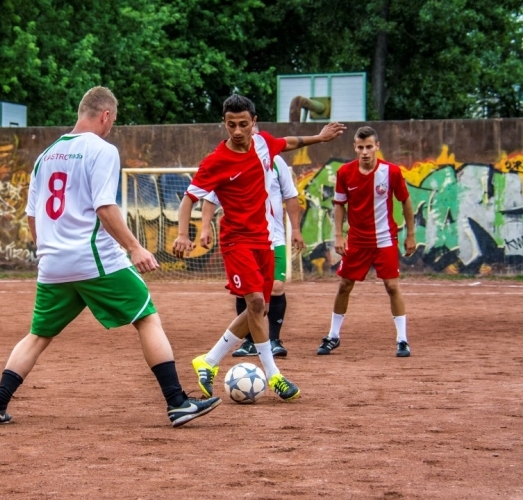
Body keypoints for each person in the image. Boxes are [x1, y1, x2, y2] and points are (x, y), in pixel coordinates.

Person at [0, 86, 221, 428]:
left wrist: (47, 251)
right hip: (93, 258)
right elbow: (104, 207)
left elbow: (32, 214)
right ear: (105, 115)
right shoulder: (101, 150)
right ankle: (177, 402)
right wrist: (135, 248)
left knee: (38, 334)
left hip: (52, 263)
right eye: (113, 120)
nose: (112, 126)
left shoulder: (46, 154)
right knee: (146, 316)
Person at [172, 94, 345, 401]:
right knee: (254, 302)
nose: (237, 131)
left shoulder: (263, 143)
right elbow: (189, 199)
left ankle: (209, 361)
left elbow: (288, 141)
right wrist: (184, 234)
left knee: (260, 308)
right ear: (224, 124)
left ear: (253, 122)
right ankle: (274, 375)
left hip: (264, 240)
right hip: (235, 240)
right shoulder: (216, 161)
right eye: (230, 125)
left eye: (242, 124)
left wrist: (319, 138)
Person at [316, 126, 415, 357]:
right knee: (344, 286)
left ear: (377, 147)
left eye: (369, 147)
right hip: (357, 241)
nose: (365, 152)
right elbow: (339, 204)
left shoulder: (391, 172)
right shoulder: (344, 173)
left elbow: (406, 201)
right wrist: (339, 235)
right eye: (360, 147)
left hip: (385, 239)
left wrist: (411, 235)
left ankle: (402, 340)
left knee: (392, 286)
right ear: (354, 148)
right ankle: (333, 336)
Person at [199, 151, 305, 358]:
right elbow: (210, 199)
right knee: (246, 293)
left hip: (274, 238)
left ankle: (274, 339)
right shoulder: (227, 161)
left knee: (276, 286)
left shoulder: (275, 160)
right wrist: (205, 228)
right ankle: (249, 341)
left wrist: (296, 229)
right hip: (241, 240)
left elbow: (291, 195)